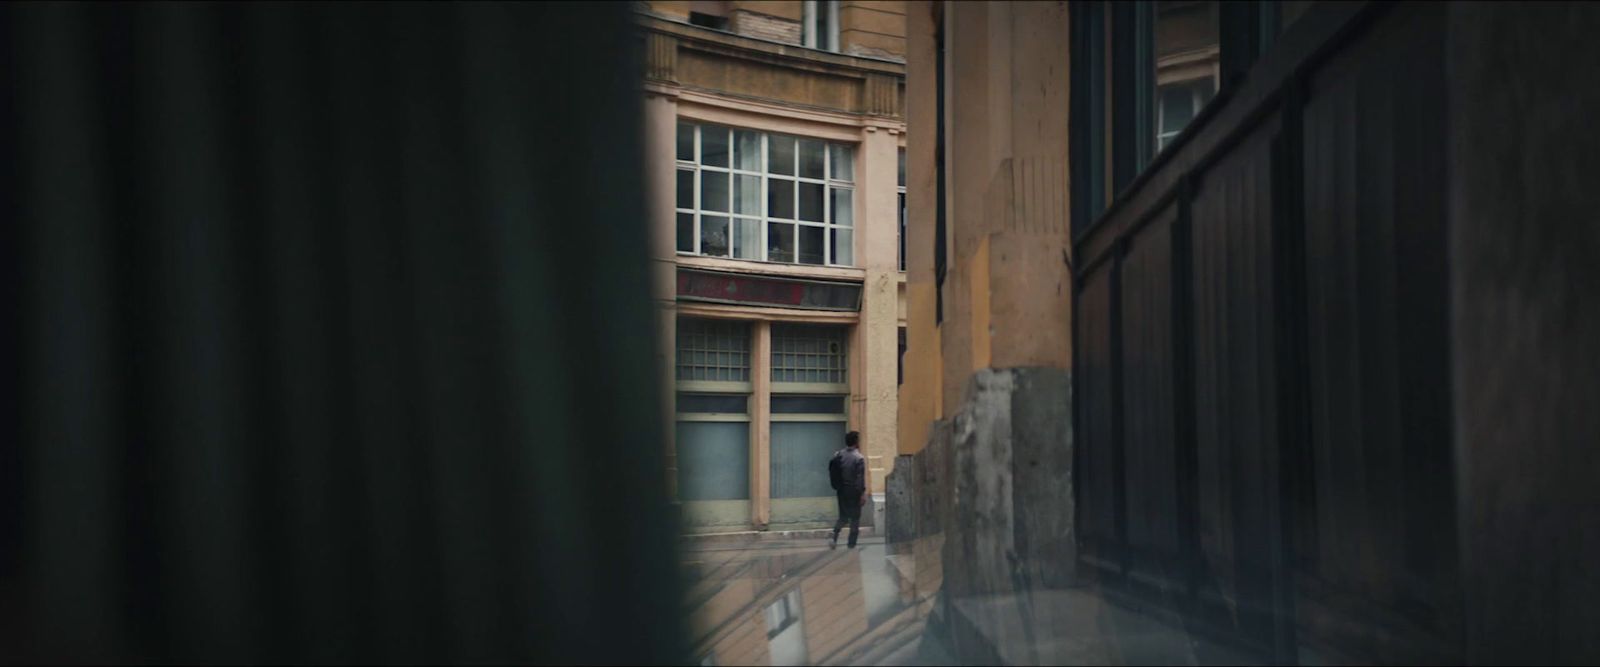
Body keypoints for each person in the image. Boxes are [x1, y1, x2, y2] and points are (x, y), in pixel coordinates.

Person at [827, 431, 867, 549]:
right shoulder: (858, 458)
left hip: (841, 489)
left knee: (843, 516)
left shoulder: (838, 454)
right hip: (853, 490)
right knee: (855, 518)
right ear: (856, 442)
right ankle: (851, 544)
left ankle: (834, 535)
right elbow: (860, 478)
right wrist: (862, 493)